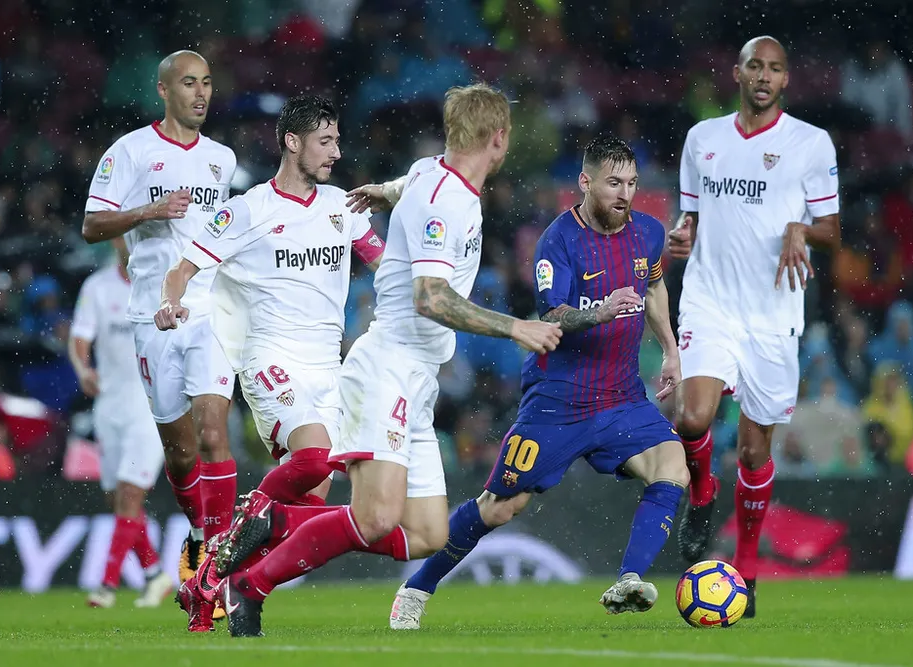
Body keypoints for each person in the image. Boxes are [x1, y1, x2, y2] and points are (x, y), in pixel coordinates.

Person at [215, 83, 562, 638]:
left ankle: (276, 519)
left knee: (425, 534)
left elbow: (410, 182)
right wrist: (513, 326)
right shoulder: (449, 200)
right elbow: (431, 297)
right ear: (499, 140)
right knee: (375, 517)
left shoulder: (430, 173)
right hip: (388, 368)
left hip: (416, 378)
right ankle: (249, 585)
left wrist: (383, 191)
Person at [389, 134, 688, 629]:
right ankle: (417, 587)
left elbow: (654, 286)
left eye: (632, 183)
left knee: (672, 465)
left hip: (620, 394)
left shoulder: (649, 233)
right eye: (614, 183)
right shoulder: (559, 240)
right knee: (501, 507)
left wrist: (672, 351)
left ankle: (629, 579)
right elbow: (554, 312)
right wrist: (602, 311)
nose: (625, 194)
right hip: (559, 399)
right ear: (585, 182)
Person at [155, 94, 387, 632]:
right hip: (270, 359)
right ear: (292, 141)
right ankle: (219, 563)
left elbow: (387, 268)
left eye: (337, 140)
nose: (336, 151)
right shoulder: (246, 210)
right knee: (313, 460)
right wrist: (171, 304)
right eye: (325, 141)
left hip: (331, 368)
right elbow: (181, 271)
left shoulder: (342, 206)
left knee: (303, 516)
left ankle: (217, 582)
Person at [668, 35, 841, 618]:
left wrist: (802, 228)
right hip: (710, 300)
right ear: (737, 72)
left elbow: (832, 229)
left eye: (775, 69)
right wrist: (681, 234)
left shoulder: (810, 144)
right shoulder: (702, 139)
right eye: (755, 66)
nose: (764, 76)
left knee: (751, 451)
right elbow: (689, 216)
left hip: (772, 314)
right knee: (692, 416)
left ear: (786, 80)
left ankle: (744, 563)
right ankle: (702, 493)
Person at [81, 50, 239, 591]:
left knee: (215, 430)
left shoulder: (224, 159)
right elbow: (92, 224)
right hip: (152, 318)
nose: (201, 93)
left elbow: (221, 234)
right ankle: (199, 528)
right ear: (164, 90)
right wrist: (147, 211)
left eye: (208, 83)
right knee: (180, 453)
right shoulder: (130, 152)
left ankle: (216, 559)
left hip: (209, 310)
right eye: (189, 83)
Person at [68, 238, 171, 609]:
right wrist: (83, 370)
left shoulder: (167, 284)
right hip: (108, 409)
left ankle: (107, 587)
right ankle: (155, 574)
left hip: (149, 408)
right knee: (118, 500)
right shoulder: (97, 287)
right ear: (115, 239)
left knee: (129, 494)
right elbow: (80, 338)